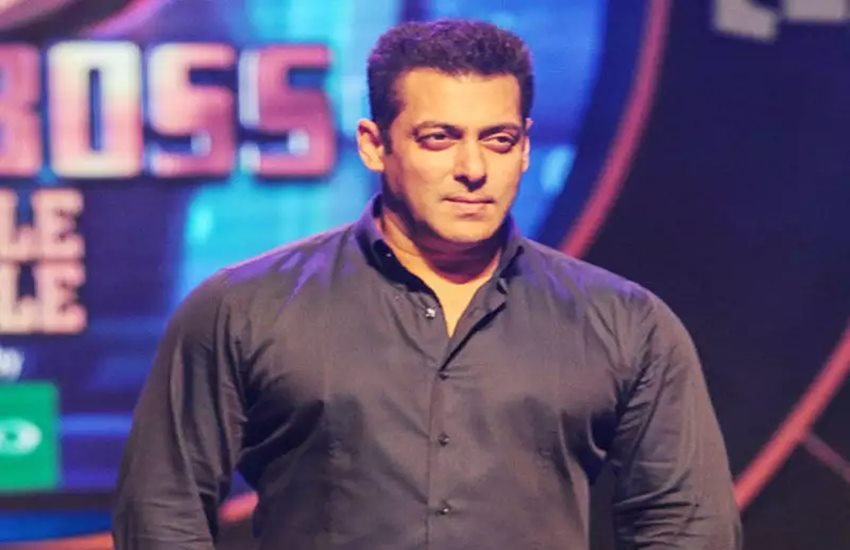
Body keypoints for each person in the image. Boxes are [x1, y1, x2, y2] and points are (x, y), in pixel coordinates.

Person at [113, 19, 742, 549]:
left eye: (498, 140)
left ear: (525, 148)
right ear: (374, 145)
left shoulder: (626, 323)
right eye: (439, 139)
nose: (472, 168)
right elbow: (162, 508)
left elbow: (687, 525)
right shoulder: (244, 309)